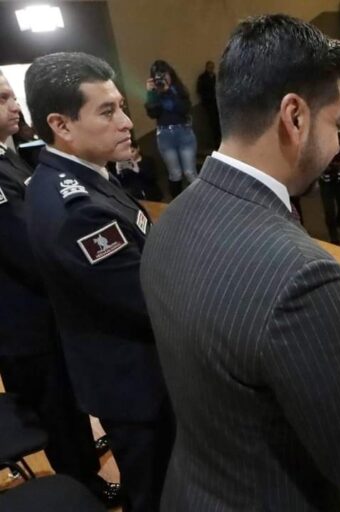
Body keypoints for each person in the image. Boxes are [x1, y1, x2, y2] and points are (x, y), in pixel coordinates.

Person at [139, 15, 340, 511]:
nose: (339, 144)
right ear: (294, 116)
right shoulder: (304, 274)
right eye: (337, 122)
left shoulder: (171, 218)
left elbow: (224, 344)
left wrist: (325, 341)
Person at [24, 52, 175, 512]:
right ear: (61, 125)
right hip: (136, 383)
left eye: (121, 108)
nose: (127, 122)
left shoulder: (77, 177)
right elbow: (151, 300)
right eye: (107, 112)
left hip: (130, 371)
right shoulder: (77, 210)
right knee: (157, 492)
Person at [0, 70, 121, 507]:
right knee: (52, 406)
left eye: (12, 96)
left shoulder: (10, 155)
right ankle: (82, 486)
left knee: (68, 403)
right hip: (23, 321)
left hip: (43, 312)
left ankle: (82, 458)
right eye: (2, 99)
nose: (14, 106)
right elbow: (23, 248)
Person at [145, 59, 198, 198]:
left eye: (164, 74)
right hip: (165, 136)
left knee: (189, 172)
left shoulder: (178, 90)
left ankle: (201, 202)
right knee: (175, 173)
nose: (162, 78)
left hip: (184, 133)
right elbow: (153, 113)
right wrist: (151, 94)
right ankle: (179, 206)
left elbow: (184, 109)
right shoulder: (154, 93)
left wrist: (168, 91)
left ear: (170, 74)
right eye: (158, 76)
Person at [196, 60, 221, 146]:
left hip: (216, 102)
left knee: (218, 122)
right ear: (206, 67)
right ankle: (215, 142)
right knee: (212, 123)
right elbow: (200, 90)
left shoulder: (214, 77)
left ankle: (219, 140)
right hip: (209, 104)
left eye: (212, 67)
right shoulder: (203, 78)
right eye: (210, 67)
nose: (211, 69)